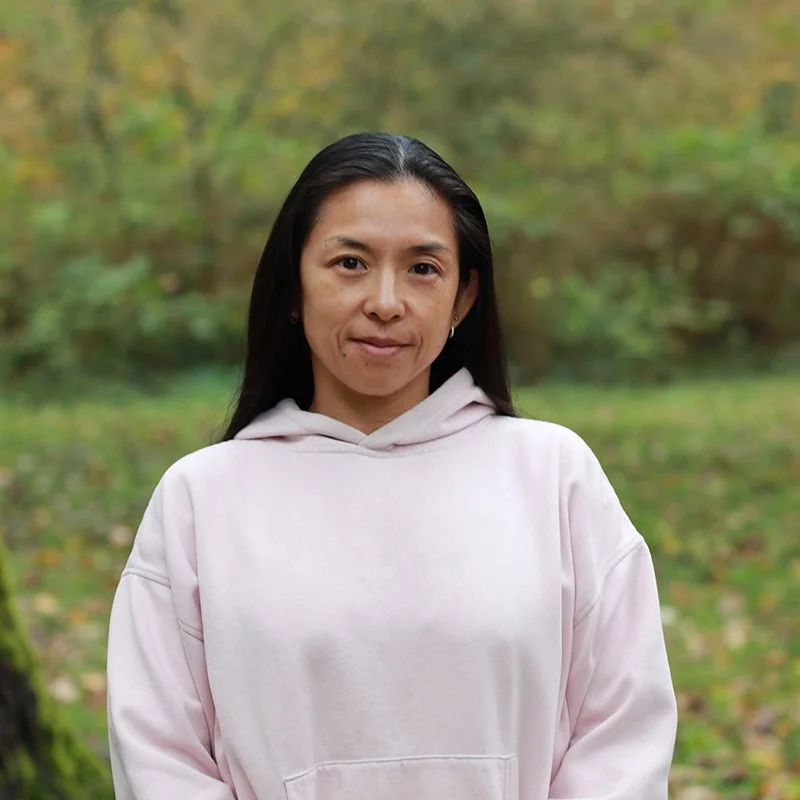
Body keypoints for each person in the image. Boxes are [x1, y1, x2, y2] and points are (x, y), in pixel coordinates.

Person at [106, 132, 678, 799]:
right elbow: (160, 757)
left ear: (463, 298)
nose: (385, 301)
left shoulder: (552, 476)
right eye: (350, 263)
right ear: (294, 285)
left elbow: (621, 735)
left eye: (422, 269)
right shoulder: (201, 501)